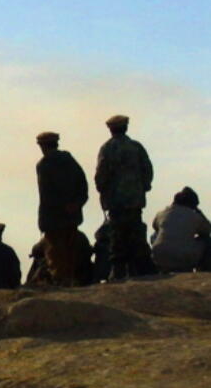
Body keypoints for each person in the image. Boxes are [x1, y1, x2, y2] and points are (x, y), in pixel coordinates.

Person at [95, 115, 154, 281]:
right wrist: (144, 187)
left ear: (111, 129)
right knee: (136, 231)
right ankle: (142, 268)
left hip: (115, 201)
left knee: (117, 234)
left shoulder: (107, 149)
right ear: (125, 127)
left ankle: (119, 270)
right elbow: (147, 169)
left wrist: (102, 191)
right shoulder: (136, 147)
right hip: (135, 199)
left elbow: (101, 175)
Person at [35, 131, 91, 287]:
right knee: (71, 250)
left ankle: (61, 281)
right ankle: (71, 279)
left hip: (53, 217)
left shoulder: (44, 164)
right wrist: (77, 204)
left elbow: (45, 194)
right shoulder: (70, 161)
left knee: (55, 253)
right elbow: (83, 184)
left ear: (43, 146)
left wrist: (44, 219)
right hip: (72, 216)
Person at [151, 187, 211, 273]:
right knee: (207, 240)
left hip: (159, 257)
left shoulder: (161, 213)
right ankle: (204, 271)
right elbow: (207, 229)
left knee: (155, 235)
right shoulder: (194, 216)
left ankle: (162, 269)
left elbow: (155, 226)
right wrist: (199, 212)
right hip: (182, 258)